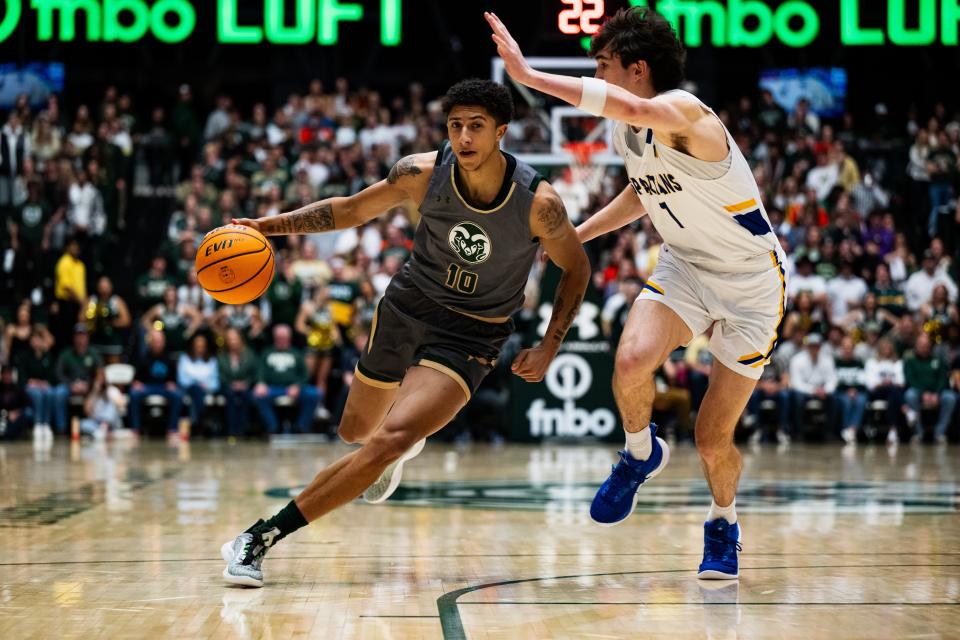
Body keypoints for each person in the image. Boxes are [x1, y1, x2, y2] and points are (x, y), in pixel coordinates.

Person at [220, 78, 589, 587]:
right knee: (355, 433)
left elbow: (577, 268)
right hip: (408, 309)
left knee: (387, 441)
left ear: (501, 132)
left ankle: (257, 539)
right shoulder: (421, 172)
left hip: (472, 336)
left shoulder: (538, 204)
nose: (463, 136)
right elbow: (349, 210)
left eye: (476, 127)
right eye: (455, 125)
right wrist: (268, 227)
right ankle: (400, 442)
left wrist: (551, 344)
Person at [486, 8, 783, 579]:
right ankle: (640, 452)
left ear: (638, 68)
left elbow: (637, 108)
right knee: (629, 360)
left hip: (750, 285)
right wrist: (577, 234)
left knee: (711, 438)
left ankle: (723, 523)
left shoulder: (686, 112)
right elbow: (643, 191)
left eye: (602, 66)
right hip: (686, 267)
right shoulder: (632, 130)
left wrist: (527, 75)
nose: (595, 77)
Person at [250, 324, 319, 435]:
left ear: (289, 338)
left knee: (315, 394)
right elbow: (259, 371)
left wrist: (298, 386)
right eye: (279, 338)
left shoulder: (296, 354)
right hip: (272, 388)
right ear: (274, 338)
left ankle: (301, 427)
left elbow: (305, 374)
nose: (281, 340)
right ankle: (272, 427)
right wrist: (260, 383)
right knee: (257, 395)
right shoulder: (267, 353)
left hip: (292, 387)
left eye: (284, 338)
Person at [128, 329, 183, 439]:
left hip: (164, 387)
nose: (158, 344)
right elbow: (136, 379)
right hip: (147, 387)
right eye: (156, 341)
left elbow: (174, 378)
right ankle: (135, 429)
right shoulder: (143, 357)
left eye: (160, 341)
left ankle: (172, 430)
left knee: (177, 395)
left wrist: (172, 384)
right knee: (134, 394)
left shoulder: (169, 357)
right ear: (150, 342)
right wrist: (137, 383)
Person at [217, 328, 257, 439]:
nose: (232, 341)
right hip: (227, 386)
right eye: (229, 339)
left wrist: (245, 383)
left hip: (246, 386)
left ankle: (243, 430)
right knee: (230, 395)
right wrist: (231, 384)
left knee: (246, 396)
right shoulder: (222, 356)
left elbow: (254, 373)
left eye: (234, 338)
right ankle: (231, 431)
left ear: (240, 339)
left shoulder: (249, 354)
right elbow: (220, 374)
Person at [177, 334, 219, 433]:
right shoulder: (185, 359)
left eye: (202, 346)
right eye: (197, 345)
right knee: (195, 389)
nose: (199, 348)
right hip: (188, 389)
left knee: (198, 391)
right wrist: (197, 382)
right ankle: (201, 420)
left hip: (207, 390)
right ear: (193, 346)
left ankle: (195, 423)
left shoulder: (212, 361)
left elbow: (215, 383)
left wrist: (205, 385)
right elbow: (182, 380)